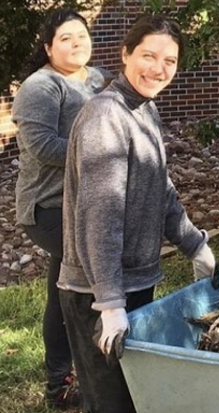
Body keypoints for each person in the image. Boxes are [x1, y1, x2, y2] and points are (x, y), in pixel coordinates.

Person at [56, 14, 216, 413]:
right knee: (111, 404)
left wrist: (194, 244)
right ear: (125, 53)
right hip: (97, 292)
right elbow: (100, 216)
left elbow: (159, 190)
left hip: (134, 284)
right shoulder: (106, 117)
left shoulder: (144, 110)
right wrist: (109, 304)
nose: (158, 69)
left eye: (170, 60)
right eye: (148, 55)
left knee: (136, 398)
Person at [11, 8, 112, 409]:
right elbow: (43, 147)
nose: (76, 43)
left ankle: (61, 381)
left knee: (63, 292)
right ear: (49, 46)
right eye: (66, 38)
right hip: (49, 207)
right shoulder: (41, 87)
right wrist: (105, 152)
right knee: (85, 284)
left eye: (81, 35)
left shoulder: (98, 79)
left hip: (85, 204)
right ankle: (80, 378)